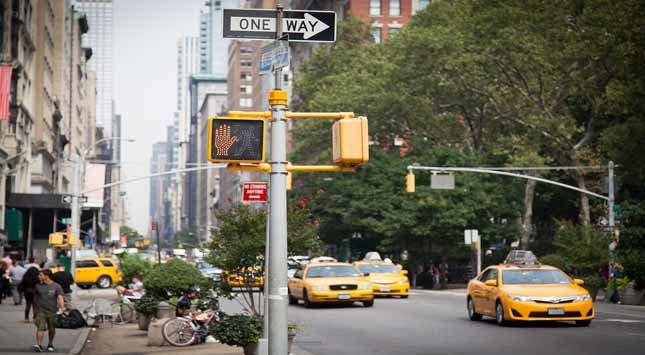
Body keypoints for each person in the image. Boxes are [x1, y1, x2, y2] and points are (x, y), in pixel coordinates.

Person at [33, 269, 65, 352]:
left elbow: (60, 297)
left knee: (52, 329)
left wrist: (62, 308)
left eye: (40, 275)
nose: (38, 277)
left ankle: (50, 344)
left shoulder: (56, 286)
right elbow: (35, 299)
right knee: (40, 327)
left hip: (52, 311)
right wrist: (34, 312)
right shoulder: (38, 286)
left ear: (46, 276)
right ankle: (39, 345)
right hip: (40, 310)